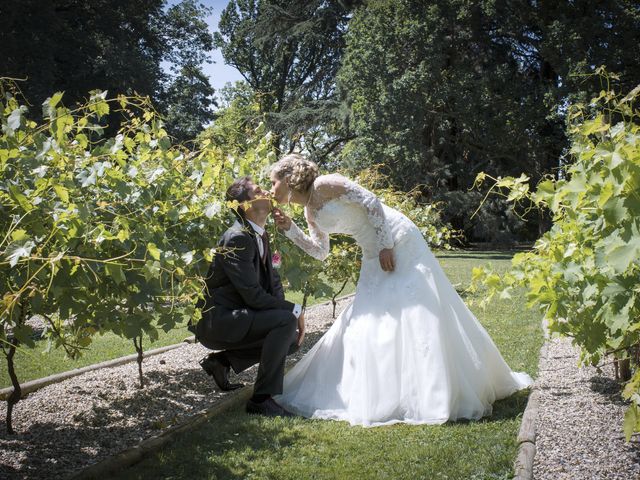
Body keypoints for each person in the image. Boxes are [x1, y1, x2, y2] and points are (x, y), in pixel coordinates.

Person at [269, 153, 533, 427]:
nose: (271, 189)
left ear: (289, 179)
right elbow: (320, 252)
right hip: (372, 252)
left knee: (416, 307)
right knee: (374, 316)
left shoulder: (325, 183)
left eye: (274, 182)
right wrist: (290, 229)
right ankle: (391, 390)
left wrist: (386, 244)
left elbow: (370, 201)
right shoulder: (309, 212)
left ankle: (438, 391)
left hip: (397, 238)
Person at [195, 176, 305, 417]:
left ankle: (223, 362)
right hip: (220, 320)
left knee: (291, 338)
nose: (266, 191)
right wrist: (294, 311)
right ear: (245, 205)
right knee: (285, 323)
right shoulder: (237, 238)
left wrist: (289, 312)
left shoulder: (262, 235)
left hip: (242, 315)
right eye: (258, 191)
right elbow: (254, 296)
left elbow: (273, 284)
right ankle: (261, 399)